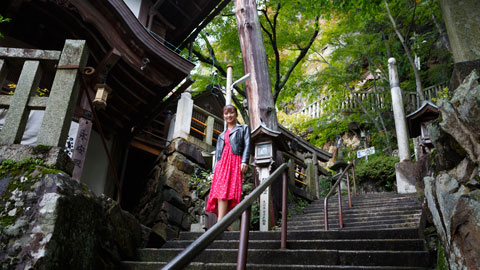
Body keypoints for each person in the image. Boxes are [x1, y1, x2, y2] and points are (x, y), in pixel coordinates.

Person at [206, 105, 251, 226]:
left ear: (236, 114)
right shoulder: (221, 135)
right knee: (221, 190)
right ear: (223, 116)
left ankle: (223, 222)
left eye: (231, 113)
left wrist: (244, 161)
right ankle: (222, 221)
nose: (229, 116)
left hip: (235, 161)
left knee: (230, 191)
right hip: (222, 164)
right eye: (226, 113)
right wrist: (213, 171)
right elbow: (218, 155)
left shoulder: (243, 128)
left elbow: (247, 145)